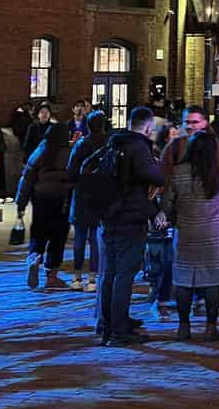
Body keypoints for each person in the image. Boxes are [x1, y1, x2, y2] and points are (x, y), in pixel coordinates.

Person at [163, 130, 219, 342]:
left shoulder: (179, 172)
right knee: (213, 281)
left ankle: (183, 327)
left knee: (184, 281)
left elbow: (167, 203)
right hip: (215, 235)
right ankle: (210, 328)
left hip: (186, 233)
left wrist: (176, 218)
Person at [95, 105, 165, 347]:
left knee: (110, 273)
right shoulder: (138, 148)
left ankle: (109, 322)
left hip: (110, 215)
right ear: (148, 127)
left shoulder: (115, 143)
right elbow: (156, 177)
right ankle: (119, 330)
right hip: (130, 217)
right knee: (125, 274)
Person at [15, 121, 72, 290]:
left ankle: (35, 257)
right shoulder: (69, 153)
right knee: (58, 237)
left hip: (41, 198)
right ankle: (51, 276)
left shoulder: (41, 151)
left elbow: (27, 178)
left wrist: (21, 203)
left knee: (39, 232)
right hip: (62, 200)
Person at [67, 110, 108, 293]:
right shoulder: (109, 145)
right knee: (95, 238)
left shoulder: (81, 145)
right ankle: (93, 278)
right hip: (101, 196)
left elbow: (71, 172)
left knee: (80, 238)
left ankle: (77, 278)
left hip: (82, 195)